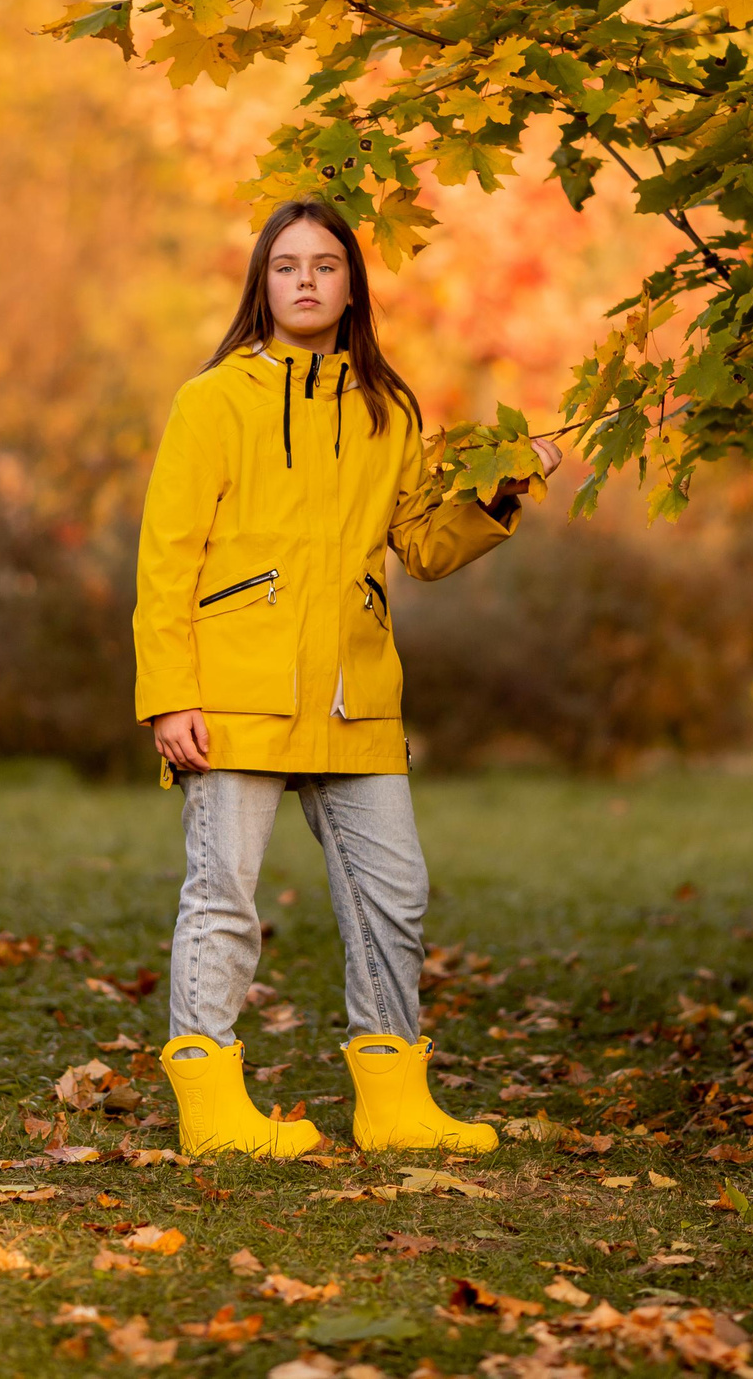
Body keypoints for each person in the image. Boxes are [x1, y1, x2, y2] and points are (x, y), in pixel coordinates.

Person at [135, 198, 560, 1158]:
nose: (307, 281)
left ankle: (392, 1100)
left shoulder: (388, 408)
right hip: (235, 691)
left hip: (356, 691)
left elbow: (422, 544)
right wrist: (169, 694)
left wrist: (499, 489)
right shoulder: (213, 401)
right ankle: (209, 1105)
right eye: (287, 265)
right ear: (263, 283)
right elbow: (166, 558)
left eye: (325, 265)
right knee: (223, 896)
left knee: (394, 893)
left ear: (352, 286)